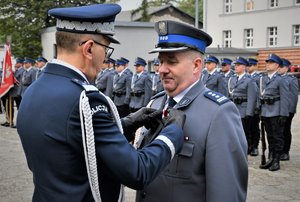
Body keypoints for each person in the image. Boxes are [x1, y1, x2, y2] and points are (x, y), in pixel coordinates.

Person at [16, 4, 186, 202]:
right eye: (106, 49)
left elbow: (72, 139)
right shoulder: (84, 100)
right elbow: (138, 172)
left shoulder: (34, 90)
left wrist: (126, 124)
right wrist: (172, 132)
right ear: (89, 48)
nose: (106, 57)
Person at [135, 20, 248, 202]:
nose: (162, 69)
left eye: (171, 62)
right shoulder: (155, 105)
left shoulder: (218, 114)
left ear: (196, 65)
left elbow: (226, 192)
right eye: (160, 61)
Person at [259, 54, 289, 171]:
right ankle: (270, 159)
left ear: (277, 65)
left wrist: (283, 114)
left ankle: (276, 160)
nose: (267, 64)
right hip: (266, 112)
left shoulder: (281, 79)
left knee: (277, 137)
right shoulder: (264, 78)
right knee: (269, 137)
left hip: (276, 112)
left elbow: (285, 98)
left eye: (270, 62)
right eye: (267, 62)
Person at [228, 57, 258, 154]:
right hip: (234, 109)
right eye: (235, 65)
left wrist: (249, 113)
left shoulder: (249, 80)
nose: (236, 67)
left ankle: (246, 148)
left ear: (244, 67)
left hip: (244, 109)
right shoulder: (233, 79)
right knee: (234, 131)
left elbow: (252, 98)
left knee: (244, 132)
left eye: (238, 65)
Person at [277, 58, 299, 161]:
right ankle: (278, 150)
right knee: (278, 131)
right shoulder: (275, 78)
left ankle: (285, 152)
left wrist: (290, 111)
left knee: (285, 130)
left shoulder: (291, 79)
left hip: (287, 111)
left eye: (281, 67)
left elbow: (294, 96)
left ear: (286, 68)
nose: (279, 69)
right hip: (277, 109)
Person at [247, 58, 261, 156]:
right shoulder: (246, 77)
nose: (249, 67)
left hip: (255, 107)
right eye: (248, 65)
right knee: (248, 128)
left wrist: (257, 106)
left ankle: (255, 146)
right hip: (247, 106)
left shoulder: (258, 77)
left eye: (251, 65)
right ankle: (249, 145)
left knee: (255, 128)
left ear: (255, 66)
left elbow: (260, 93)